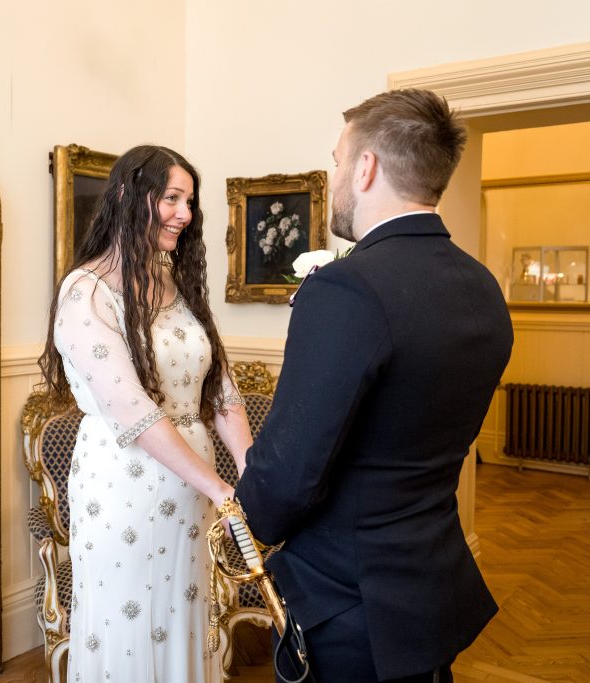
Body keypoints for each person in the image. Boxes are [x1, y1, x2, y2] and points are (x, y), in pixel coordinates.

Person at [234, 89, 514, 682]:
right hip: (431, 584)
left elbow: (288, 473)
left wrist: (251, 515)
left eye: (337, 160)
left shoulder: (348, 289)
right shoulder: (482, 287)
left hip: (348, 600)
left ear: (366, 168)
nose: (335, 174)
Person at [40, 145, 253, 682]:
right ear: (126, 197)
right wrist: (220, 488)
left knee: (185, 618)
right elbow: (132, 411)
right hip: (123, 489)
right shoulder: (85, 292)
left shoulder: (174, 284)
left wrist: (250, 467)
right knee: (132, 629)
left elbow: (220, 386)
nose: (185, 213)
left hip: (191, 494)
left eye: (190, 201)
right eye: (173, 198)